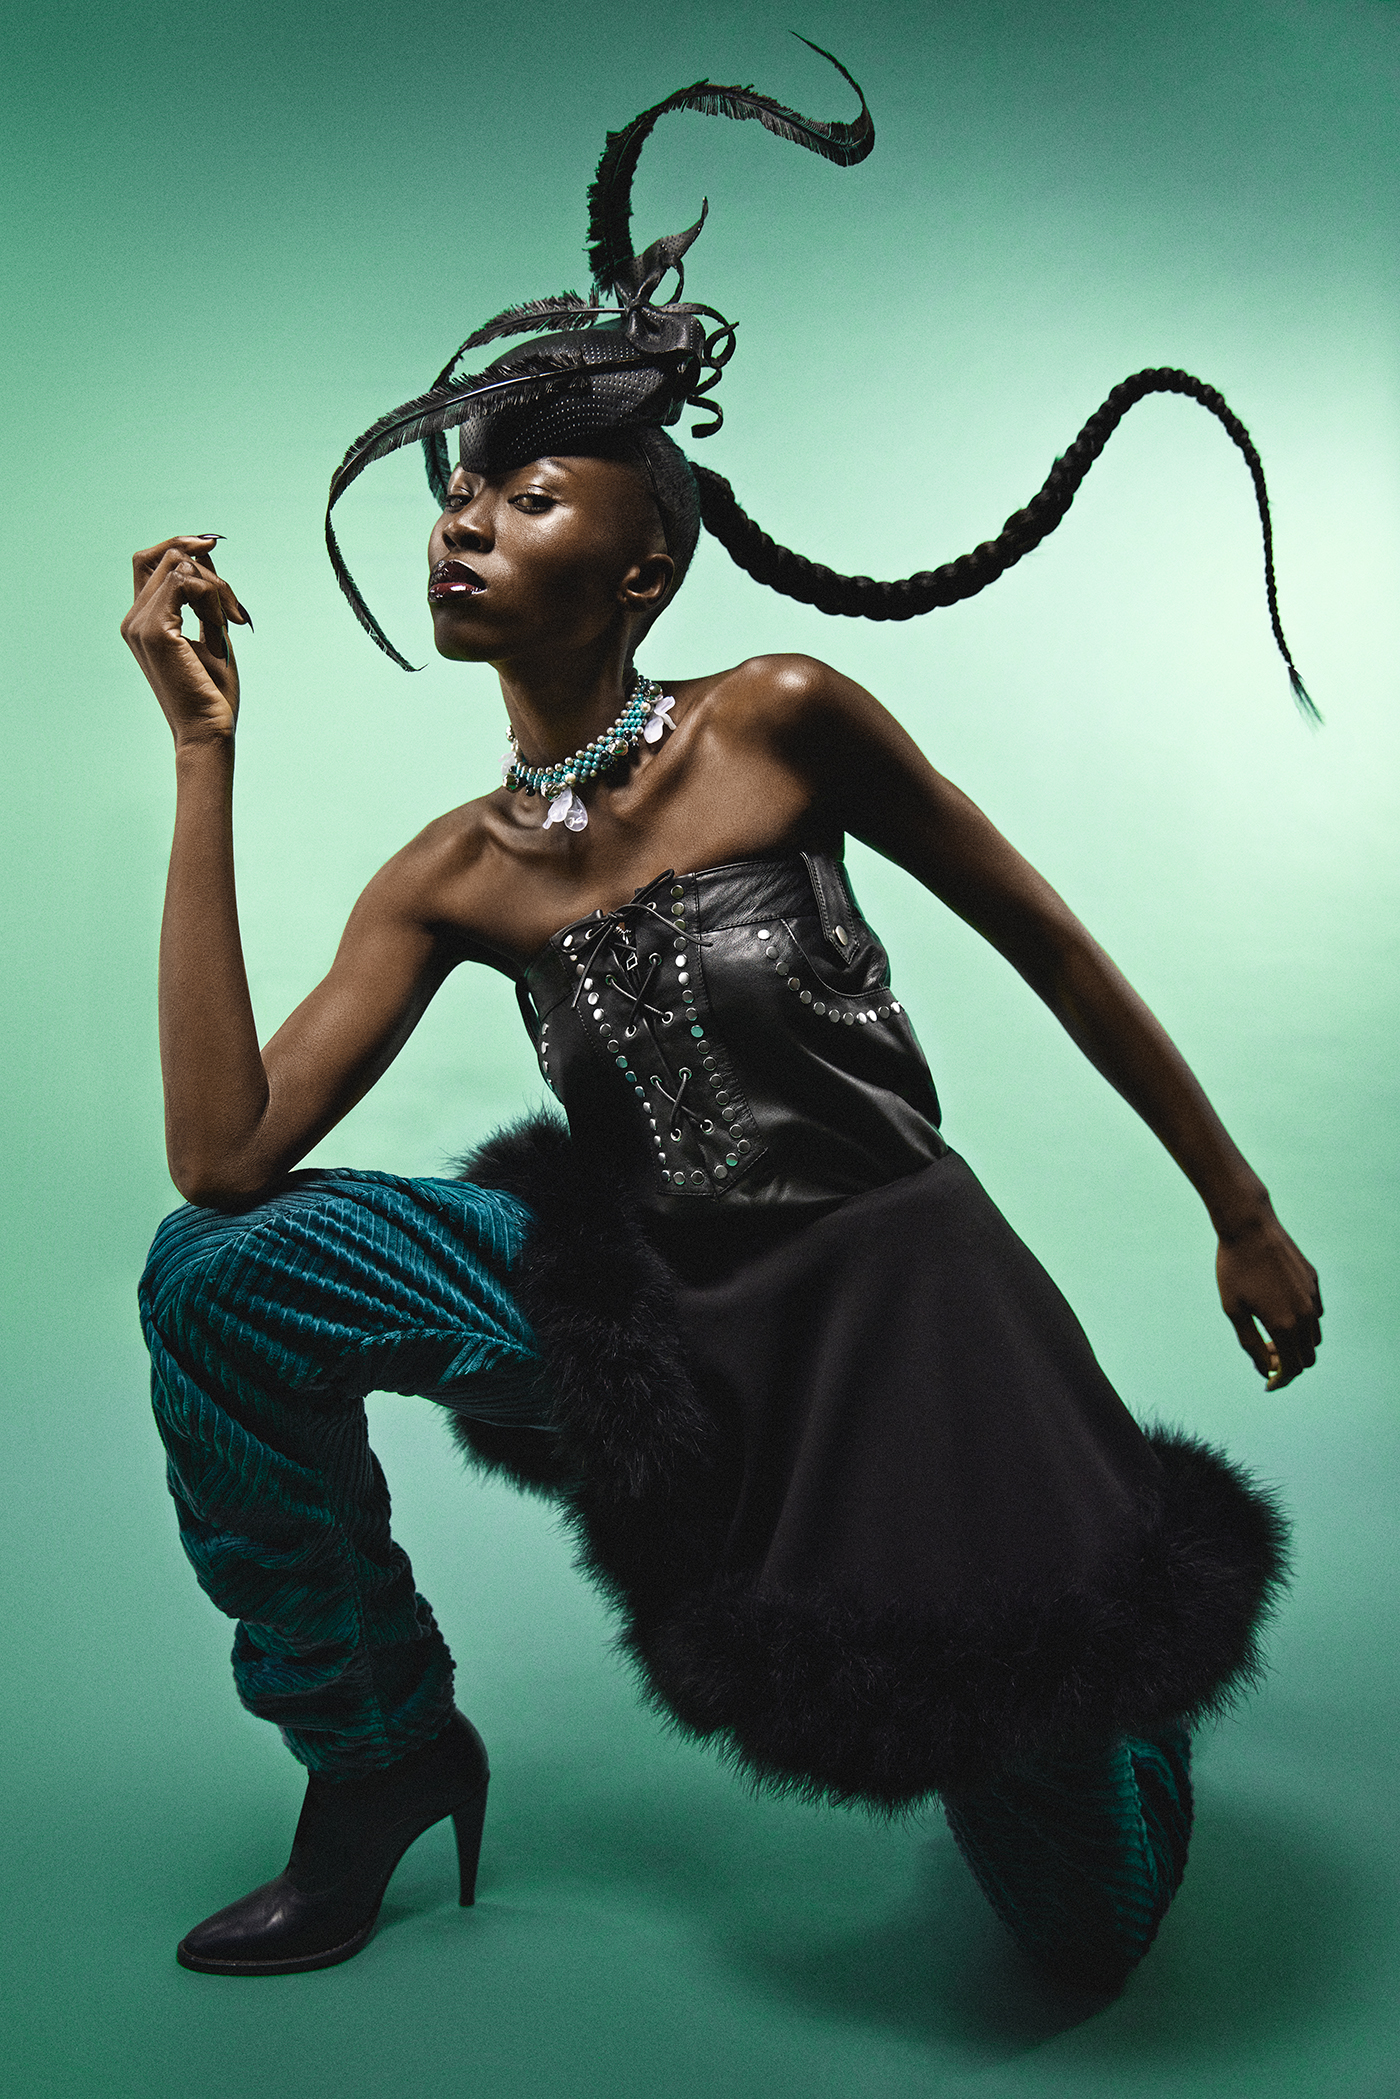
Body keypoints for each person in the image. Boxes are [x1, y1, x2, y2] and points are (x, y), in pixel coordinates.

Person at [125, 48, 1321, 1987]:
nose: (465, 522)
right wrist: (205, 760)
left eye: (527, 495)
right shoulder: (452, 873)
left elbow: (1050, 945)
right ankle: (377, 1747)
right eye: (460, 495)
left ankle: (1113, 1707)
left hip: (891, 1316)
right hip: (644, 1315)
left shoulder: (779, 718)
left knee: (1084, 1929)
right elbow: (224, 1153)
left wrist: (1239, 1208)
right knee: (216, 1273)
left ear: (644, 564)